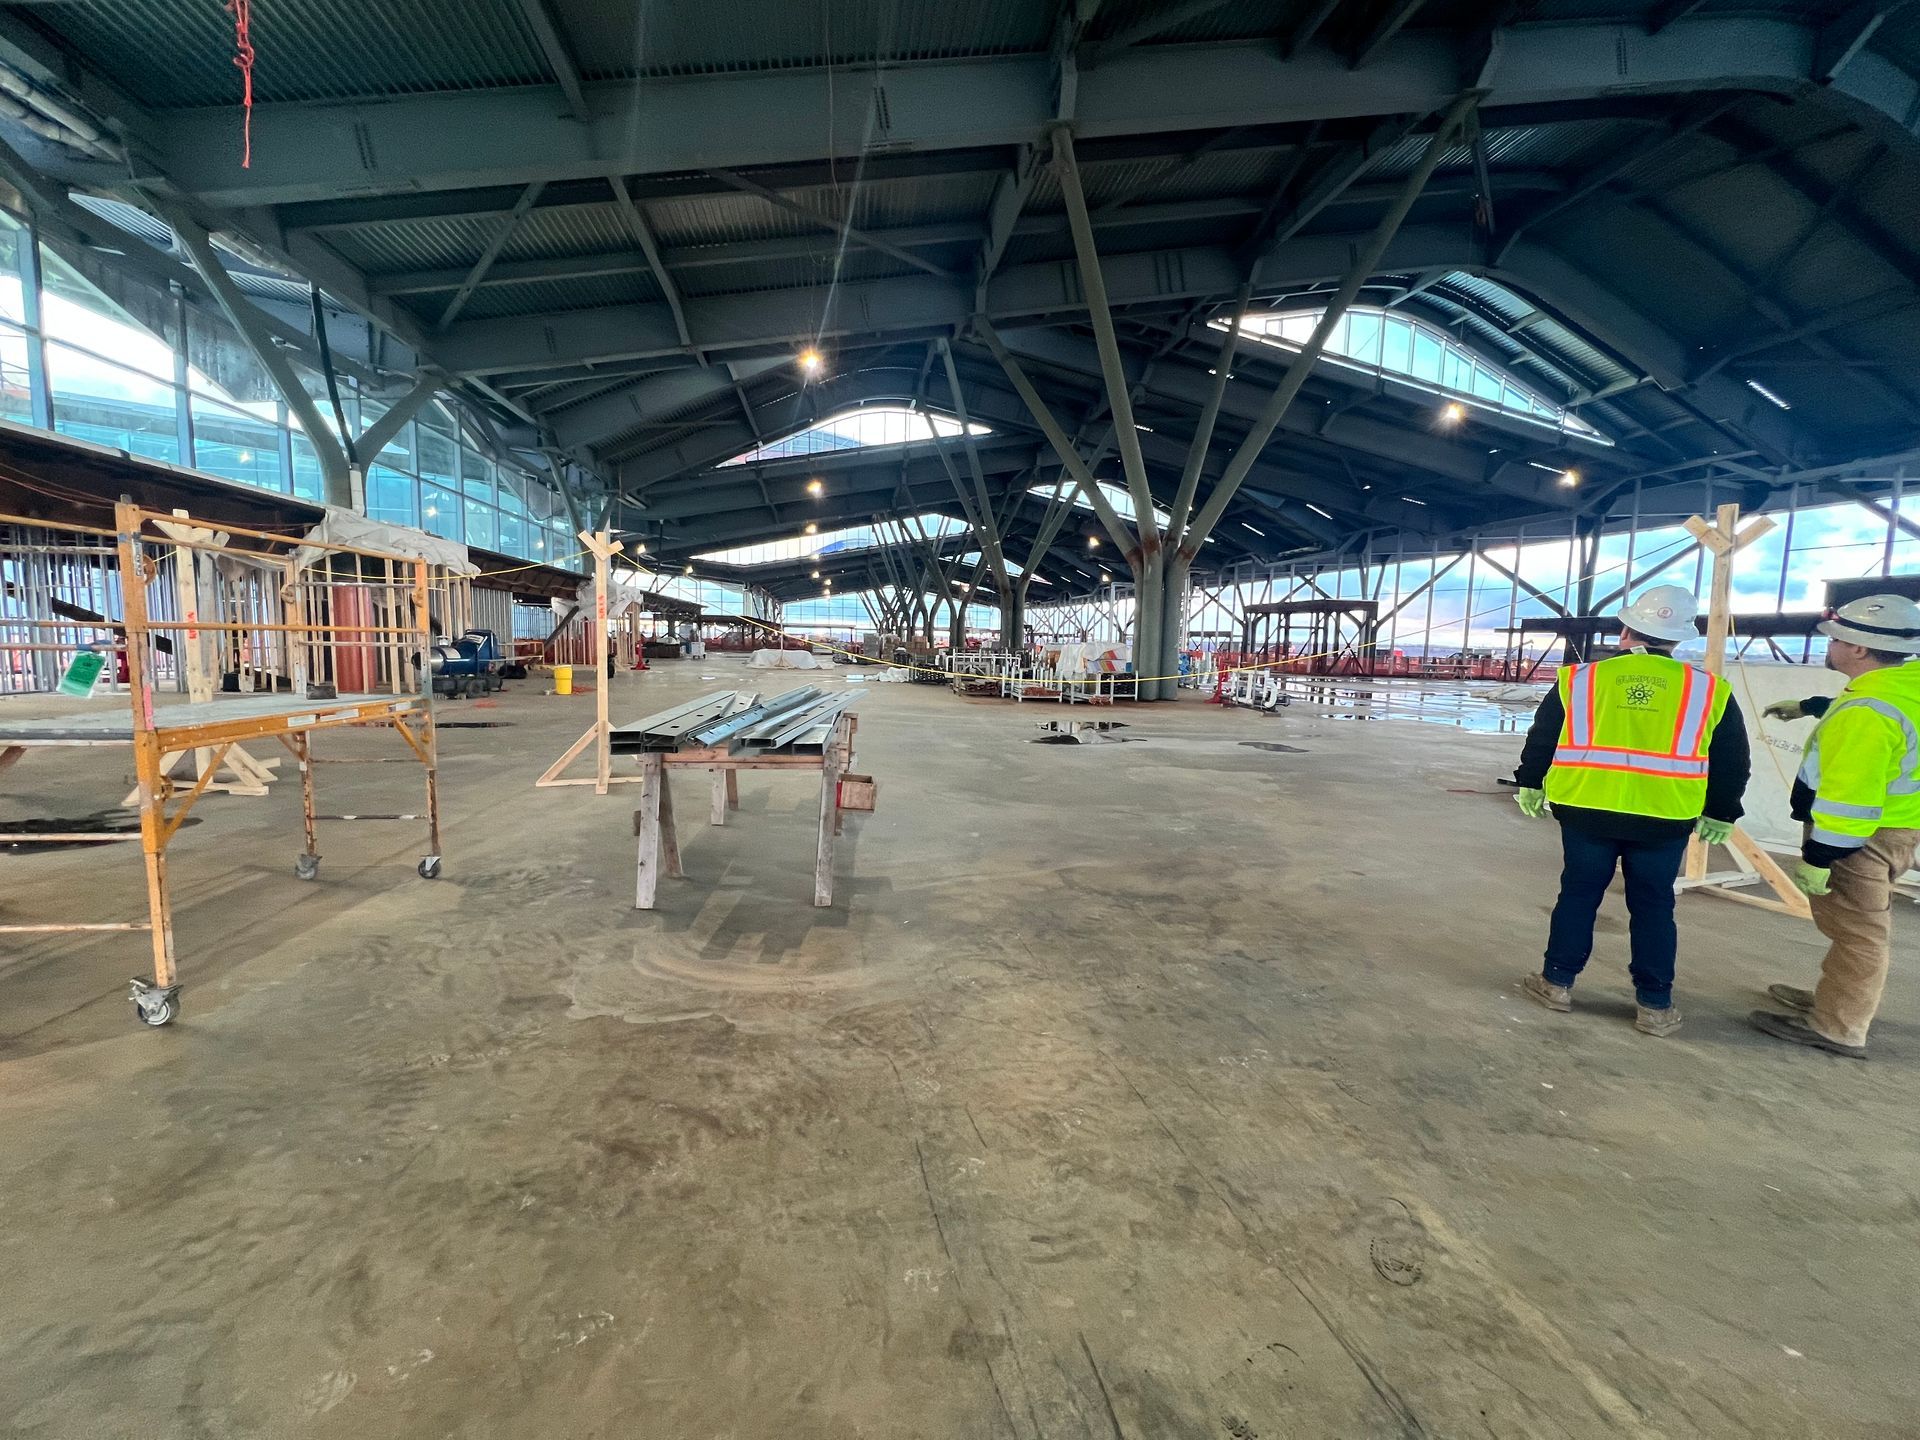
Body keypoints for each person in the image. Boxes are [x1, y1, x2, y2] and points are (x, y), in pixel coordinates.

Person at [1512, 585, 1751, 1035]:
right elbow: (1732, 757)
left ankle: (1556, 982)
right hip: (1665, 816)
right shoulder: (1709, 690)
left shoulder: (1580, 679)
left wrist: (1530, 780)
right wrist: (1723, 810)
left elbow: (1543, 735)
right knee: (1655, 905)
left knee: (1579, 894)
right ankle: (1654, 1004)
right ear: (1678, 639)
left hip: (1586, 808)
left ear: (1626, 630)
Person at [1749, 595, 1920, 1059]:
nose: (1831, 647)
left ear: (1860, 649)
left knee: (1859, 932)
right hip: (1900, 828)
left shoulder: (1867, 712)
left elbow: (1851, 800)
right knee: (1857, 929)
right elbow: (1892, 727)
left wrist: (1822, 856)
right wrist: (1813, 705)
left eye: (1837, 639)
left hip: (1862, 839)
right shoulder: (1903, 685)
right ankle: (1839, 998)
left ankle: (1838, 1026)